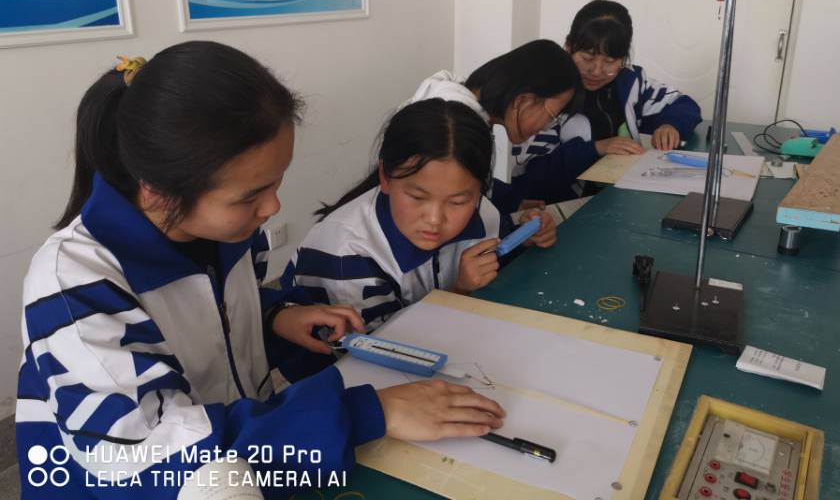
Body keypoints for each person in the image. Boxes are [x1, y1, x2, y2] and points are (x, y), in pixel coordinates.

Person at [16, 42, 506, 499]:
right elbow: (155, 458)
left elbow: (210, 315)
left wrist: (274, 317)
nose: (273, 208)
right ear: (159, 191)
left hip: (252, 462)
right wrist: (368, 413)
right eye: (250, 195)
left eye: (276, 183)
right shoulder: (75, 285)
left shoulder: (224, 233)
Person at [283, 98, 557, 333]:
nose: (435, 219)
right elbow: (379, 351)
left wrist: (525, 235)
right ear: (386, 178)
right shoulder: (348, 254)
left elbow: (497, 249)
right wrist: (459, 293)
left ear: (479, 191)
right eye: (417, 197)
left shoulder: (482, 211)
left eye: (458, 201)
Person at [509, 0, 703, 204]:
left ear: (623, 59)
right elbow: (533, 177)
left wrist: (670, 125)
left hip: (619, 199)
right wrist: (595, 148)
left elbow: (684, 105)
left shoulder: (629, 81)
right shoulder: (548, 93)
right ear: (568, 47)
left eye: (610, 62)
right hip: (553, 208)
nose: (596, 71)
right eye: (587, 58)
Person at [407, 39, 581, 212]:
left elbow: (466, 184)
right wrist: (508, 224)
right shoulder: (453, 128)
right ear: (523, 100)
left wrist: (511, 202)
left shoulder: (470, 109)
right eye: (552, 116)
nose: (546, 127)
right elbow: (446, 214)